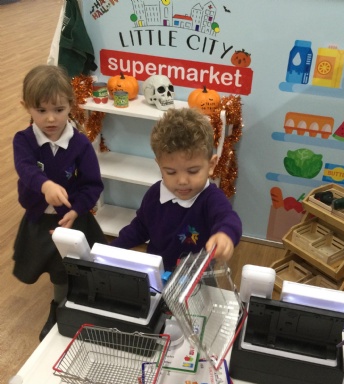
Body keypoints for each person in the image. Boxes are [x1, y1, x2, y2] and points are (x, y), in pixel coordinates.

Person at [12, 65, 106, 341]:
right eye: (41, 110)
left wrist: (75, 210)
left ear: (71, 105)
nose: (51, 118)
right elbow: (26, 169)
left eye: (59, 109)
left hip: (73, 220)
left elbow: (92, 185)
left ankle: (66, 306)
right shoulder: (24, 140)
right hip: (39, 219)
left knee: (68, 268)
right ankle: (59, 307)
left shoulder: (80, 144)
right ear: (26, 107)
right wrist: (45, 185)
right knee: (53, 267)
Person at [111, 107, 242, 272]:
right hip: (157, 272)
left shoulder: (211, 199)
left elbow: (228, 218)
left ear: (211, 165)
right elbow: (140, 228)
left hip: (196, 278)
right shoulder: (155, 194)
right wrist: (112, 248)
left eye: (193, 171)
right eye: (171, 172)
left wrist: (225, 234)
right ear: (159, 165)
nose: (182, 181)